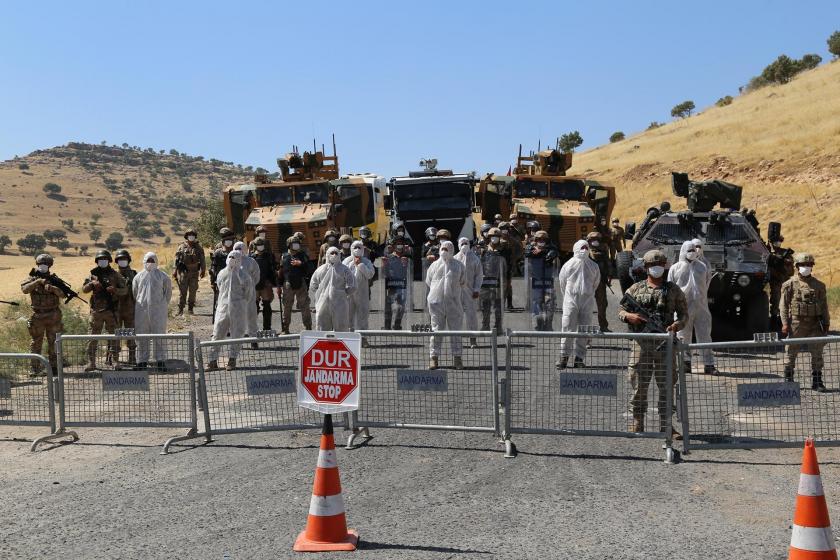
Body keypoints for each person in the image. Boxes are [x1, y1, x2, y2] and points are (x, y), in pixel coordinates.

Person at [618, 249, 687, 437]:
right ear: (646, 267)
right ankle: (638, 421)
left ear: (664, 267)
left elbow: (684, 314)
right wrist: (630, 316)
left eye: (659, 265)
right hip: (641, 344)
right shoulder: (635, 289)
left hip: (665, 344)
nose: (656, 268)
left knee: (666, 385)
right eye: (652, 265)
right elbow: (621, 310)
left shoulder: (673, 289)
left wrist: (676, 325)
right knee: (639, 384)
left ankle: (666, 425)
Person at [781, 253, 830, 391]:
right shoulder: (789, 284)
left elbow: (824, 305)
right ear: (797, 266)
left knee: (817, 352)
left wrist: (826, 322)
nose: (806, 267)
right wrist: (785, 323)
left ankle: (817, 381)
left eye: (809, 265)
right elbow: (783, 305)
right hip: (797, 323)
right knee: (791, 351)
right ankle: (788, 379)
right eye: (803, 265)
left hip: (815, 323)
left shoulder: (819, 285)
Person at [668, 241, 717, 374]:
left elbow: (707, 283)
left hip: (702, 306)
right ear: (683, 251)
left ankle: (709, 364)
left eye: (693, 249)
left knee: (705, 335)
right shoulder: (675, 268)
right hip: (683, 308)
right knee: (683, 335)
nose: (692, 252)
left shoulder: (702, 267)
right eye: (689, 250)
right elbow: (670, 288)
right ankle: (685, 363)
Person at [556, 240, 601, 369]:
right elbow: (562, 283)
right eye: (581, 247)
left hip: (587, 301)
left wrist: (587, 294)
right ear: (575, 248)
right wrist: (570, 296)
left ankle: (579, 358)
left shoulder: (594, 266)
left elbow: (596, 284)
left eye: (586, 247)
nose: (584, 250)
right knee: (567, 327)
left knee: (584, 329)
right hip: (570, 300)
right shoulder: (568, 265)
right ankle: (564, 357)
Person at [81, 250, 128, 371]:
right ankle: (92, 363)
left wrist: (115, 290)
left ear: (109, 261)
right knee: (92, 337)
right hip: (96, 311)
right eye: (100, 260)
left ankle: (116, 361)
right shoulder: (92, 274)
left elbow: (125, 290)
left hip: (111, 311)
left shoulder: (115, 274)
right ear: (97, 261)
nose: (103, 262)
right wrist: (92, 283)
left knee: (114, 337)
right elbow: (84, 290)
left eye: (105, 259)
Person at [207, 251, 254, 371]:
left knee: (237, 334)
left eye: (235, 257)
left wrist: (240, 303)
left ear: (239, 260)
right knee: (217, 333)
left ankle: (232, 360)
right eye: (230, 257)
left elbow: (248, 294)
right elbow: (219, 287)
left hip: (238, 309)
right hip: (223, 308)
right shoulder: (222, 274)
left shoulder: (244, 276)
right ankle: (212, 360)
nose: (232, 259)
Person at [20, 253, 65, 376]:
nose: (43, 266)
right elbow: (24, 289)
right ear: (37, 265)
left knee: (54, 342)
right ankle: (35, 368)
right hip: (38, 315)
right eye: (40, 264)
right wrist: (38, 282)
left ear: (50, 266)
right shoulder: (32, 278)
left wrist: (53, 288)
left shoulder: (55, 280)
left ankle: (54, 367)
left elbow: (63, 294)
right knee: (36, 342)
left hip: (53, 315)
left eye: (45, 264)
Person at [426, 240, 466, 370]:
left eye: (447, 249)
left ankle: (457, 358)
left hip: (454, 304)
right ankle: (434, 358)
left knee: (455, 331)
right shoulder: (434, 266)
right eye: (442, 249)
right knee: (436, 330)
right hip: (436, 304)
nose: (444, 251)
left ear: (452, 250)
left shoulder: (459, 266)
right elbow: (428, 281)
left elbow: (463, 281)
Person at [132, 252, 172, 370]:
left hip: (158, 311)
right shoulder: (138, 277)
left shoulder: (163, 276)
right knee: (141, 335)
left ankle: (160, 360)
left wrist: (162, 305)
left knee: (159, 334)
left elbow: (168, 293)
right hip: (141, 311)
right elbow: (135, 293)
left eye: (152, 260)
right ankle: (142, 361)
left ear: (156, 261)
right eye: (148, 260)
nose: (150, 263)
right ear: (144, 261)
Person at [309, 246, 355, 332]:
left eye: (336, 253)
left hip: (340, 302)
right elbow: (313, 285)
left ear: (339, 255)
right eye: (332, 253)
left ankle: (341, 344)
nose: (334, 255)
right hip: (323, 302)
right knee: (322, 325)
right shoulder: (320, 269)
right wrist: (321, 293)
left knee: (341, 325)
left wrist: (342, 293)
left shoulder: (345, 269)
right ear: (327, 255)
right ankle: (323, 344)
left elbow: (352, 285)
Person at [524, 230, 558, 331]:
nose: (541, 241)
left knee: (550, 303)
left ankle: (548, 323)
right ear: (536, 239)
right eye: (539, 239)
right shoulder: (530, 247)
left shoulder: (551, 249)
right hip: (536, 281)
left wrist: (542, 251)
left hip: (548, 281)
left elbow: (554, 253)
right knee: (536, 303)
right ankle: (539, 323)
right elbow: (528, 253)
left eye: (544, 239)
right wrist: (539, 252)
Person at [281, 235, 313, 334]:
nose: (296, 245)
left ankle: (308, 327)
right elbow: (281, 271)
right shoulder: (284, 256)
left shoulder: (303, 255)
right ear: (289, 245)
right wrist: (278, 285)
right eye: (294, 244)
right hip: (288, 284)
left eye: (297, 243)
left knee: (305, 306)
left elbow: (310, 268)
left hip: (301, 283)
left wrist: (301, 263)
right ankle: (285, 328)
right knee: (287, 306)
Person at [343, 240, 375, 341]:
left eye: (359, 248)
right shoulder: (346, 261)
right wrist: (352, 264)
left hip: (362, 293)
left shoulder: (366, 261)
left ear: (363, 249)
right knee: (348, 315)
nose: (357, 250)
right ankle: (349, 338)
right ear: (351, 249)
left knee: (363, 316)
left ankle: (363, 338)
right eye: (355, 247)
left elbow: (370, 274)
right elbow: (341, 274)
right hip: (348, 293)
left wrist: (360, 265)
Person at [455, 237, 483, 347]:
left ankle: (473, 339)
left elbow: (479, 276)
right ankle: (457, 339)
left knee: (471, 315)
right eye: (462, 243)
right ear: (458, 245)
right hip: (457, 292)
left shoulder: (475, 259)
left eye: (466, 243)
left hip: (471, 292)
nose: (464, 245)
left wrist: (476, 289)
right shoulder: (455, 258)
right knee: (457, 315)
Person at [478, 230, 506, 334]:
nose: (495, 238)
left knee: (498, 306)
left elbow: (508, 264)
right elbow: (479, 264)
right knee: (486, 305)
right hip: (486, 281)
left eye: (497, 236)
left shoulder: (504, 250)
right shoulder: (483, 250)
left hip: (499, 281)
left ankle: (498, 327)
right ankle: (485, 325)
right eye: (492, 236)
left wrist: (507, 280)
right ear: (489, 237)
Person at [174, 228, 206, 315]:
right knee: (182, 291)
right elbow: (176, 260)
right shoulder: (181, 247)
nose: (191, 236)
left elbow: (202, 260)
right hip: (183, 272)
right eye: (189, 235)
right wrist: (175, 271)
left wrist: (203, 270)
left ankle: (190, 309)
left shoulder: (198, 248)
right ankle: (180, 309)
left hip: (194, 272)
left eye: (192, 235)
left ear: (195, 236)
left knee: (193, 291)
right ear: (186, 236)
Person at [114, 248, 138, 366]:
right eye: (120, 259)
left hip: (130, 309)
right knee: (116, 335)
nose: (122, 261)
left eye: (124, 259)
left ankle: (132, 357)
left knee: (131, 334)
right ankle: (114, 358)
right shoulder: (113, 274)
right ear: (116, 261)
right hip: (116, 309)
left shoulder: (134, 274)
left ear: (128, 260)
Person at [252, 237, 279, 332]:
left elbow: (273, 269)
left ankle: (267, 328)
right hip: (254, 285)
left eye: (262, 245)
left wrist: (273, 282)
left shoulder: (269, 256)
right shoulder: (251, 257)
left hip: (266, 284)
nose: (260, 247)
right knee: (254, 307)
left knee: (267, 306)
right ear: (255, 246)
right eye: (258, 245)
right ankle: (253, 329)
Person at [382, 241, 410, 330]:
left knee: (401, 305)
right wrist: (384, 265)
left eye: (401, 243)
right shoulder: (389, 257)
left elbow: (411, 270)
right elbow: (384, 272)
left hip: (402, 284)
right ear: (394, 246)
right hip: (391, 283)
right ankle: (387, 325)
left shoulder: (407, 256)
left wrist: (406, 264)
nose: (399, 245)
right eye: (397, 243)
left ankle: (397, 324)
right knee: (389, 304)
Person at [234, 241, 260, 337]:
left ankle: (253, 337)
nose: (238, 251)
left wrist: (250, 285)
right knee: (236, 316)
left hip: (249, 294)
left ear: (245, 250)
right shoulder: (231, 261)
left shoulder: (251, 261)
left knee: (251, 315)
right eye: (236, 249)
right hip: (236, 293)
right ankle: (237, 339)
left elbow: (256, 276)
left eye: (240, 249)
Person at [767, 236, 794, 326]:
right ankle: (774, 319)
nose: (777, 243)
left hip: (785, 281)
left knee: (787, 301)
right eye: (775, 241)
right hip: (775, 281)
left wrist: (784, 262)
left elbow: (791, 270)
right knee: (775, 300)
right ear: (771, 242)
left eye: (779, 241)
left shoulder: (785, 253)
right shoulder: (768, 252)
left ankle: (786, 320)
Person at [587, 231, 611, 332]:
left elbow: (608, 262)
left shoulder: (604, 248)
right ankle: (585, 328)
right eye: (593, 239)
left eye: (597, 239)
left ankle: (603, 326)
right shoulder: (585, 249)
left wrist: (609, 275)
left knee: (602, 304)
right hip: (588, 282)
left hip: (601, 280)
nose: (595, 241)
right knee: (586, 305)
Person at [209, 227, 235, 318]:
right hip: (221, 281)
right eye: (225, 238)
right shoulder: (218, 252)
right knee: (221, 302)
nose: (228, 241)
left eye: (230, 238)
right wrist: (213, 282)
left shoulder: (236, 252)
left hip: (234, 281)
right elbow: (213, 268)